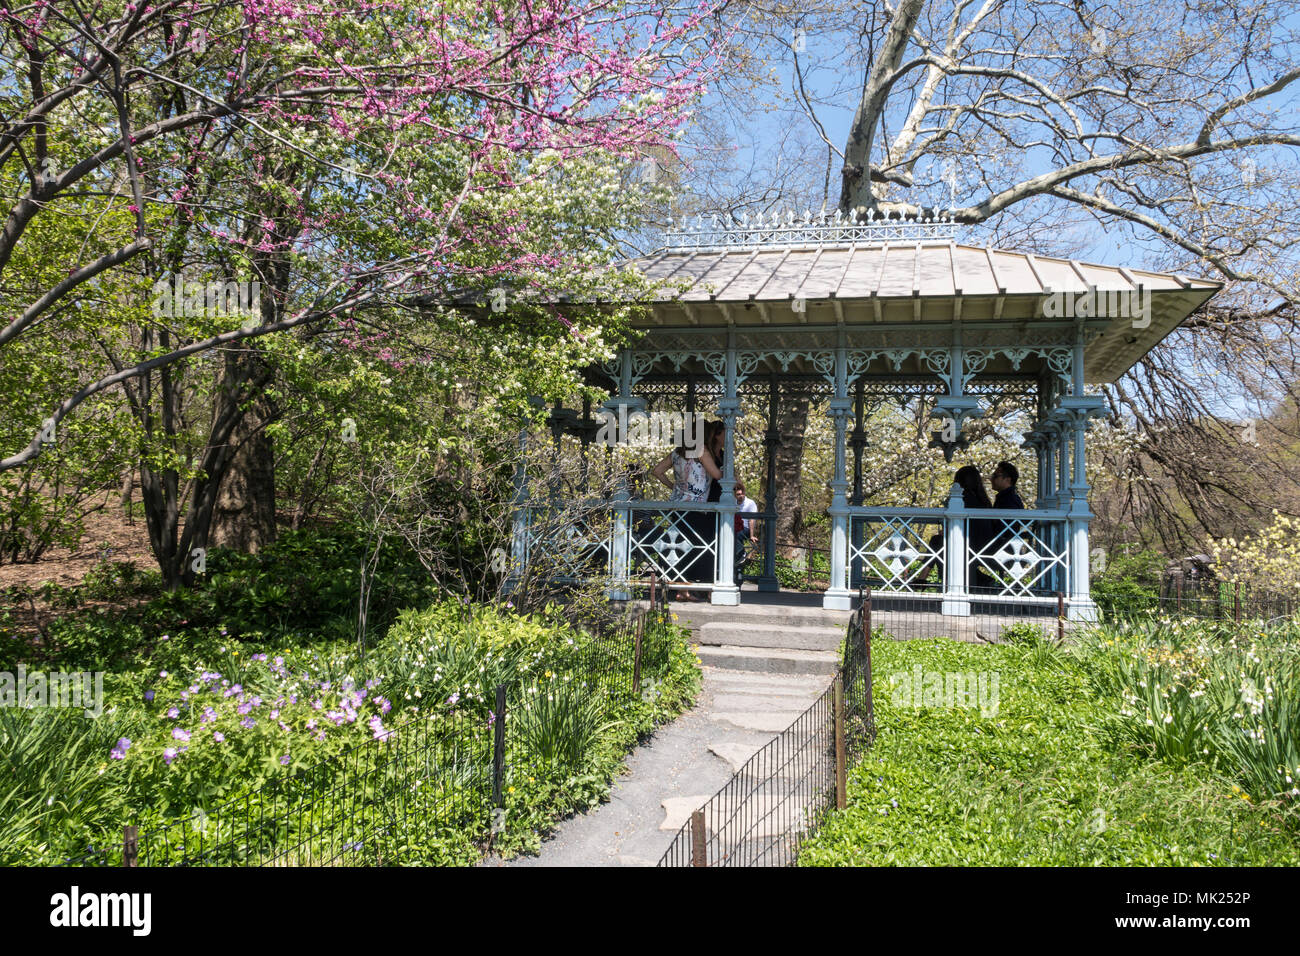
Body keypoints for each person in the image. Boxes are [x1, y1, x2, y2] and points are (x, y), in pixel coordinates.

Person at [650, 425, 722, 601]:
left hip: (677, 505)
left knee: (680, 546)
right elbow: (717, 475)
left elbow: (657, 471)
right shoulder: (701, 450)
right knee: (699, 546)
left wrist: (673, 486)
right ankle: (700, 588)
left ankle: (681, 588)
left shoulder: (677, 452)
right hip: (697, 507)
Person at [734, 479, 759, 584]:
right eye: (738, 494)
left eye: (742, 494)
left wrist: (752, 535)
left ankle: (741, 553)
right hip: (735, 527)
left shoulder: (750, 503)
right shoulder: (733, 502)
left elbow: (752, 520)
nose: (740, 496)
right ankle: (735, 558)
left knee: (738, 535)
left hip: (746, 528)